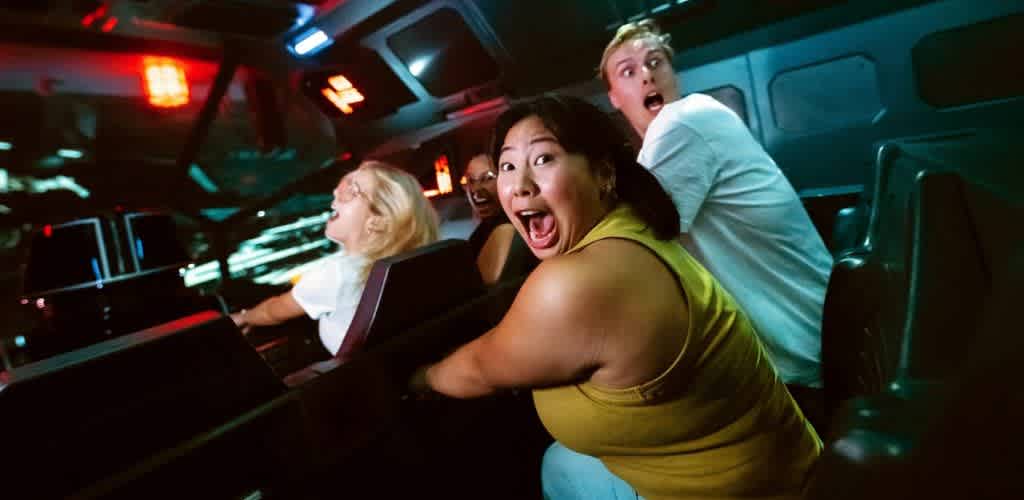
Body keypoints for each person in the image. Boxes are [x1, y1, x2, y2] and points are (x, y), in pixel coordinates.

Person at [410, 95, 820, 500]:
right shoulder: (637, 228)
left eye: (543, 159)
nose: (519, 185)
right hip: (787, 468)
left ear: (603, 174)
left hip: (752, 491)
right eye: (507, 166)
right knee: (558, 462)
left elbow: (478, 369)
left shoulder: (579, 282)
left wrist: (417, 378)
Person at [601, 19, 833, 418]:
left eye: (655, 62)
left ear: (674, 75)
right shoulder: (675, 137)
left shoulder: (684, 121)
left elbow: (623, 254)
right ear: (615, 98)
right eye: (628, 70)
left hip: (801, 366)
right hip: (819, 340)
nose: (647, 74)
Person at [231, 160, 439, 356]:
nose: (336, 192)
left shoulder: (338, 275)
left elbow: (275, 310)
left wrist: (243, 317)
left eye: (352, 190)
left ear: (377, 221)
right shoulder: (413, 264)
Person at [463, 152, 538, 284]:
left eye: (487, 178)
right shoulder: (482, 231)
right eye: (471, 181)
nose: (476, 189)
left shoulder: (506, 229)